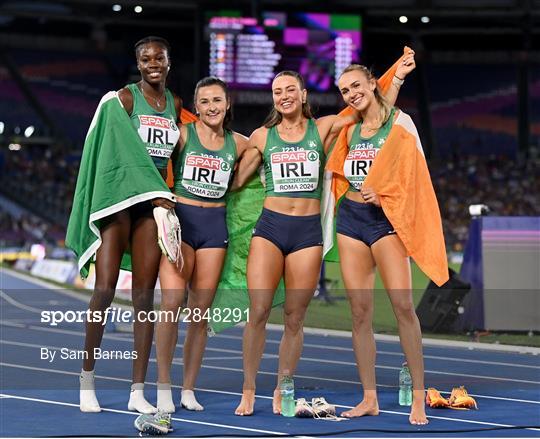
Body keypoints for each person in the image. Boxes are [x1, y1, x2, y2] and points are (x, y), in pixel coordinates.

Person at [233, 50, 416, 416]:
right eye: (276, 91)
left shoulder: (324, 129)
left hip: (306, 233)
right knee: (258, 311)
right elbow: (234, 180)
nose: (282, 96)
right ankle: (249, 389)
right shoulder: (262, 136)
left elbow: (370, 112)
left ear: (302, 95)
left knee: (294, 318)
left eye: (289, 89)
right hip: (269, 229)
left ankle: (283, 382)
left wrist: (395, 79)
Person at [75, 36, 181, 413]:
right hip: (120, 204)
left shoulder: (174, 105)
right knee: (103, 290)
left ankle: (138, 390)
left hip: (149, 212)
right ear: (138, 64)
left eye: (159, 58)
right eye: (145, 58)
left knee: (143, 300)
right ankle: (87, 380)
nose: (153, 63)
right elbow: (113, 151)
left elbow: (181, 156)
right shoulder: (124, 99)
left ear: (169, 62)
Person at [331, 62, 436, 425]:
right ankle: (369, 398)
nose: (352, 94)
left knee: (403, 307)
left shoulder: (400, 125)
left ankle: (418, 399)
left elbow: (413, 176)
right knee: (360, 314)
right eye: (345, 90)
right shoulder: (350, 130)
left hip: (387, 223)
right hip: (351, 222)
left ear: (373, 83)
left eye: (356, 86)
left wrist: (386, 193)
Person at [154, 77, 249, 413]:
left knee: (198, 315)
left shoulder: (239, 144)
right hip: (182, 227)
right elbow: (153, 164)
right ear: (197, 107)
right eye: (205, 101)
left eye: (218, 101)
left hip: (214, 229)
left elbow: (267, 150)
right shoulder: (182, 135)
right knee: (171, 304)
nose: (212, 107)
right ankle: (164, 385)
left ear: (227, 105)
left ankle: (188, 389)